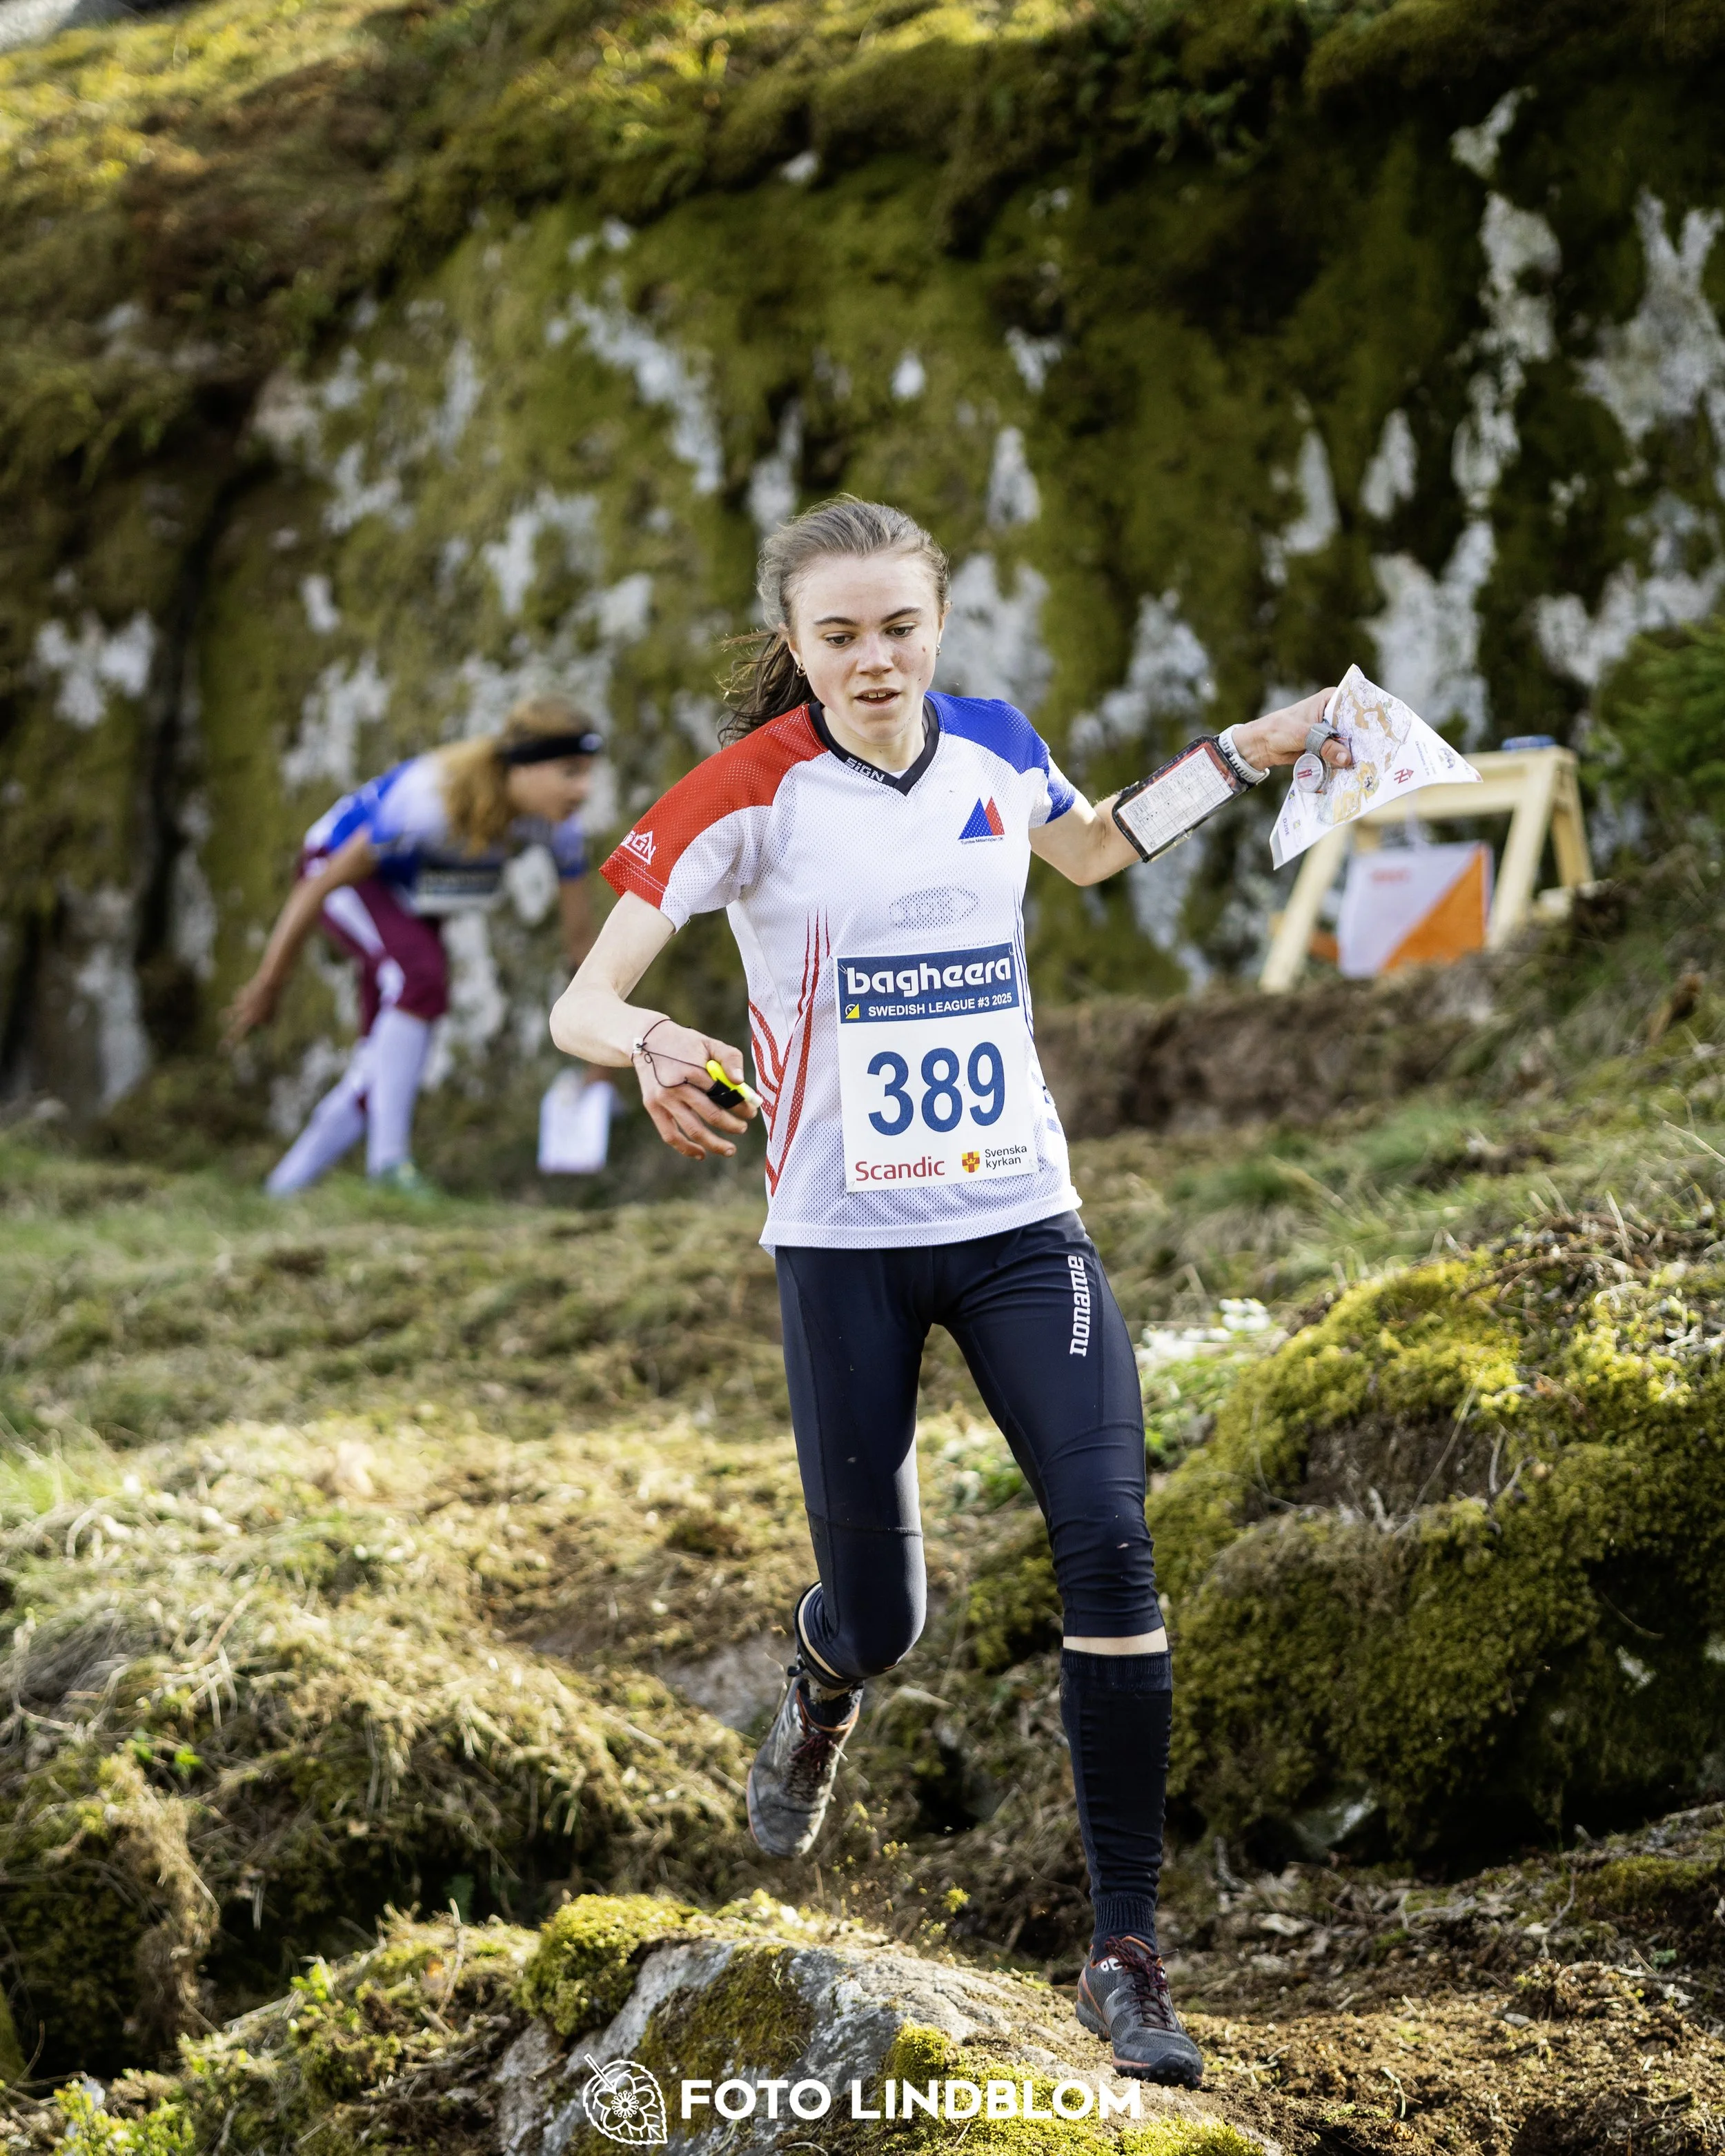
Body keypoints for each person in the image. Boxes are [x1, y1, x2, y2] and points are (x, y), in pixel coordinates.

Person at [547, 498, 1350, 2086]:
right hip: (842, 1242)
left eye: (899, 627)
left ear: (937, 623)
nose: (872, 660)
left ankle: (1126, 1951)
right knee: (886, 1615)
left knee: (1110, 1538)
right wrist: (648, 1043)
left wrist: (1252, 749)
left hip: (1019, 1221)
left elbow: (1097, 842)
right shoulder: (745, 796)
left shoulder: (990, 746)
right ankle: (821, 1670)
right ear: (795, 644)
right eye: (837, 636)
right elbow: (584, 994)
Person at [228, 694, 603, 1195]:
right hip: (342, 875)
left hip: (409, 897)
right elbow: (315, 886)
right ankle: (389, 1166)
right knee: (421, 978)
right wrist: (270, 983)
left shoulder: (559, 827)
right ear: (524, 768)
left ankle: (281, 1191)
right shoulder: (431, 802)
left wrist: (604, 1048)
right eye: (570, 772)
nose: (585, 789)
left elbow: (581, 940)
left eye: (588, 773)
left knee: (385, 1060)